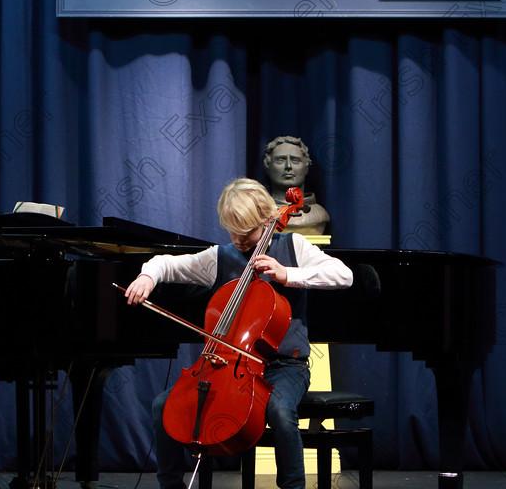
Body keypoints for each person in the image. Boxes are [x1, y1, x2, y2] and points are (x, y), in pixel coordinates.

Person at [124, 178, 353, 489]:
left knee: (281, 411)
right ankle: (170, 485)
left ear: (266, 220)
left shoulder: (293, 247)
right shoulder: (219, 257)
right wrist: (147, 277)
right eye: (233, 231)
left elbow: (345, 275)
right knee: (162, 405)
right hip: (227, 366)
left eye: (249, 232)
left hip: (286, 367)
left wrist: (289, 274)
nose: (241, 240)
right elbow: (166, 264)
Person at [263, 136, 330, 235]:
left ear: (306, 167)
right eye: (280, 160)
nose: (288, 166)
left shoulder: (319, 215)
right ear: (267, 166)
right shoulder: (259, 214)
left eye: (295, 161)